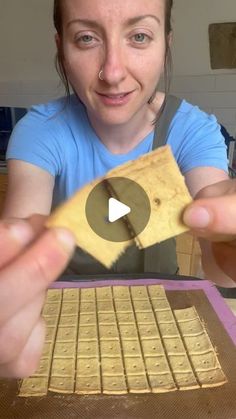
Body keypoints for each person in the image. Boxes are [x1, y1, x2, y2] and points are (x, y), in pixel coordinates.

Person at [0, 0, 236, 378]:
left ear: (166, 44)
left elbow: (219, 254)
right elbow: (18, 237)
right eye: (87, 38)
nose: (112, 72)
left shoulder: (193, 130)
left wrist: (226, 239)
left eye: (139, 36)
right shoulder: (41, 131)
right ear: (61, 46)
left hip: (160, 316)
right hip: (59, 321)